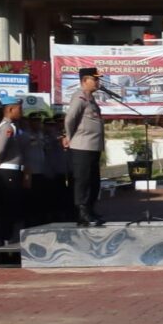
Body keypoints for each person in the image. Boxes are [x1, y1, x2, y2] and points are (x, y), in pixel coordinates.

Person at [63, 66, 107, 226]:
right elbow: (70, 119)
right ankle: (82, 212)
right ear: (84, 80)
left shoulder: (90, 98)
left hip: (93, 146)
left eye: (98, 79)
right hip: (82, 146)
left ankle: (90, 209)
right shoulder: (79, 97)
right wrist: (69, 136)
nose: (97, 81)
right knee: (83, 180)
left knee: (94, 181)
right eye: (94, 79)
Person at [0, 99, 31, 242]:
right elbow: (1, 148)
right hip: (8, 170)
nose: (21, 112)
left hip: (15, 170)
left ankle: (8, 235)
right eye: (19, 109)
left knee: (13, 205)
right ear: (10, 109)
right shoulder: (7, 127)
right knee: (7, 205)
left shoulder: (14, 126)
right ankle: (5, 238)